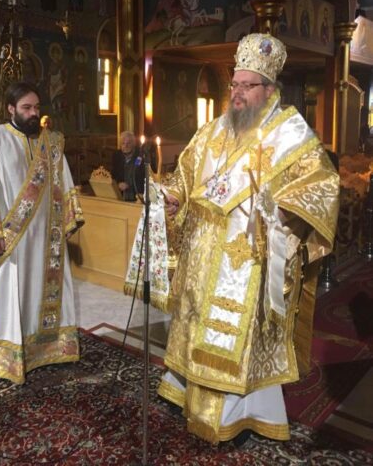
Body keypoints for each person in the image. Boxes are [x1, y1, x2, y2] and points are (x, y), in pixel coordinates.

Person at [158, 33, 339, 445]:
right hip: (203, 251)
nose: (237, 93)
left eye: (247, 85)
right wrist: (173, 196)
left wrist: (285, 211)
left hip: (249, 254)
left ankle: (238, 413)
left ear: (269, 89)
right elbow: (186, 173)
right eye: (234, 84)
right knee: (193, 322)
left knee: (233, 335)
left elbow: (323, 184)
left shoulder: (291, 134)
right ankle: (182, 388)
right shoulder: (214, 129)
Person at [0, 81, 84, 386]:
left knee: (41, 294)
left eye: (36, 107)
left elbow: (65, 180)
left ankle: (48, 351)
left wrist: (68, 220)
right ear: (11, 109)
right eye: (26, 108)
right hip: (11, 239)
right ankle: (2, 361)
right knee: (9, 295)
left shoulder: (51, 143)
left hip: (46, 238)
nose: (33, 114)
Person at [111, 131, 144, 201]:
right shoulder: (116, 155)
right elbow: (113, 175)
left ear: (133, 144)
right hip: (120, 195)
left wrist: (129, 185)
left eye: (128, 143)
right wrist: (118, 184)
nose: (125, 146)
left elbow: (142, 178)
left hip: (138, 195)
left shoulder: (140, 156)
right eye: (123, 143)